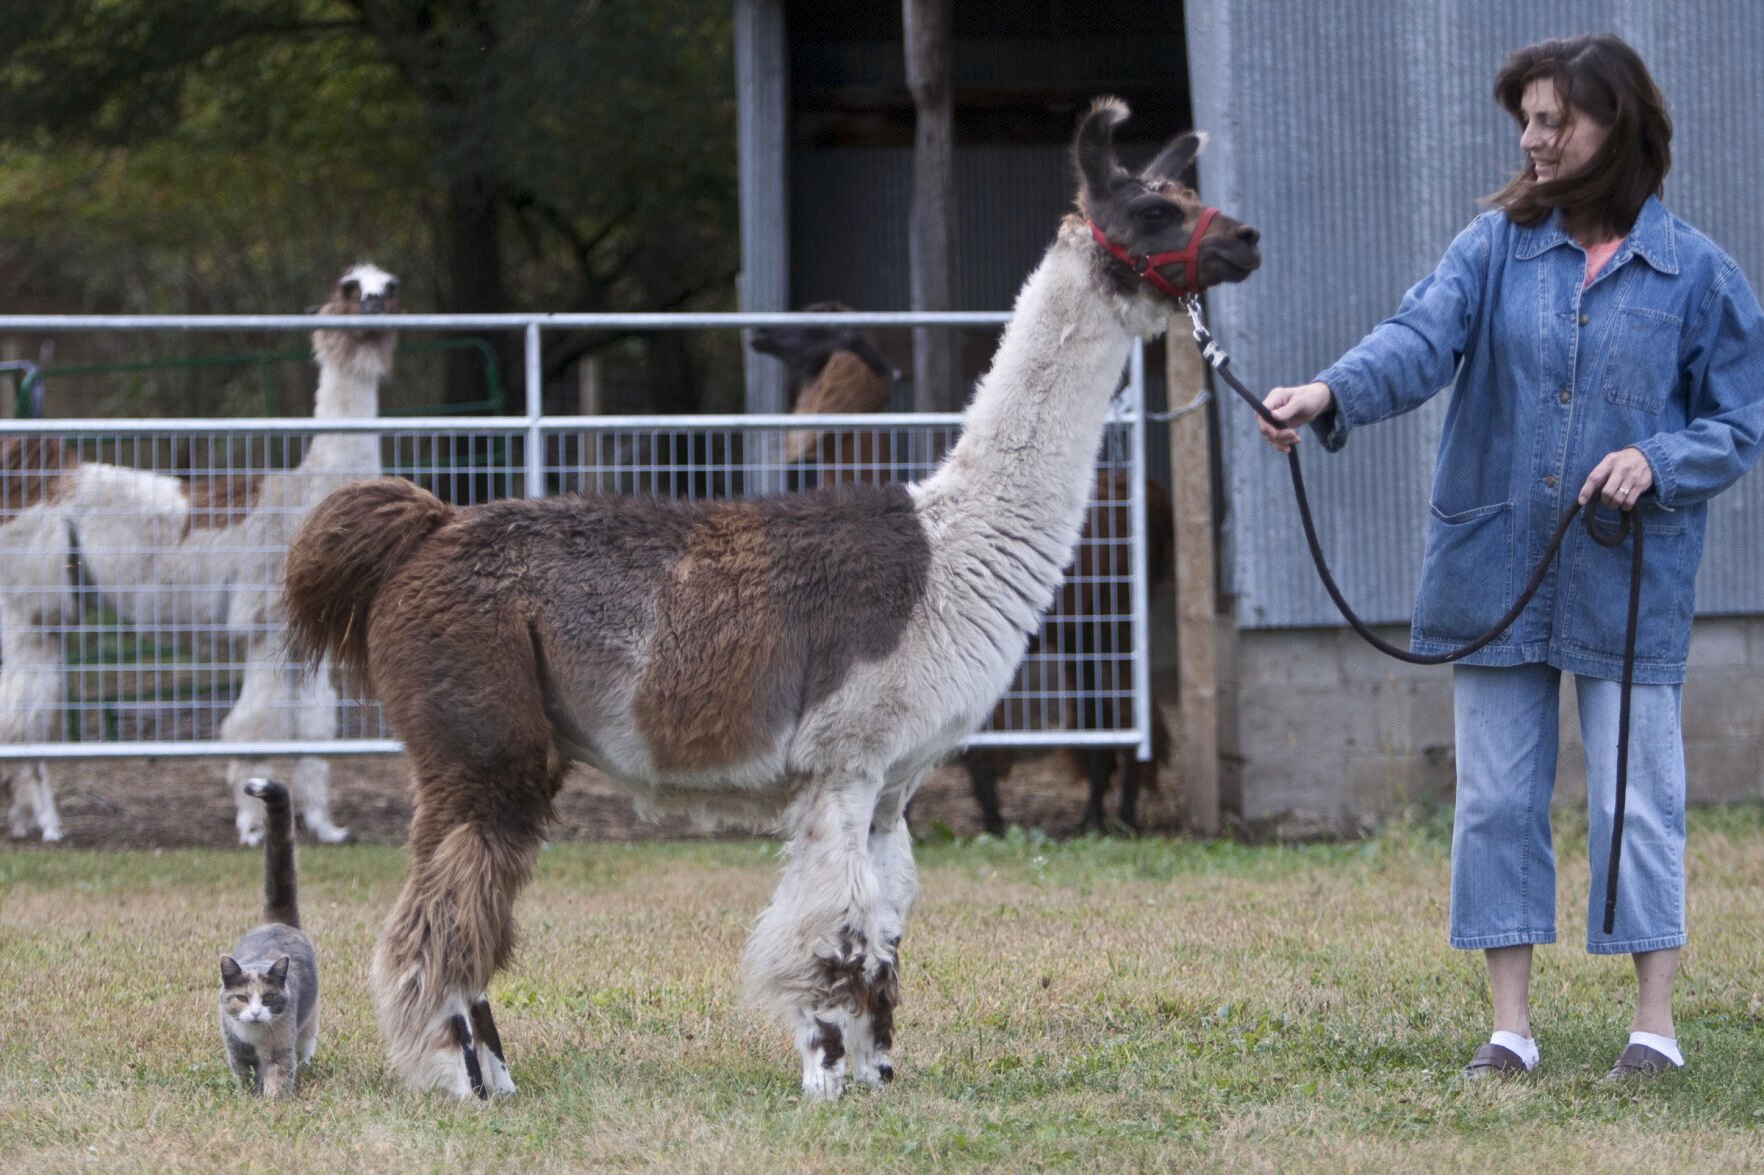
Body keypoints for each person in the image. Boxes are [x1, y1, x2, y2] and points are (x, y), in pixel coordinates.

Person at [1258, 34, 1764, 1081]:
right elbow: (1417, 339)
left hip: (1631, 577)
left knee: (1637, 794)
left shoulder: (1697, 273)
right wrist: (1328, 393)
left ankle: (1654, 1027)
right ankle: (1510, 1028)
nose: (1533, 140)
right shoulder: (1490, 248)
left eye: (1554, 120)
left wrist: (1659, 458)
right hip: (1495, 567)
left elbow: (1745, 415)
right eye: (1525, 121)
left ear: (1613, 128)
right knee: (1495, 798)